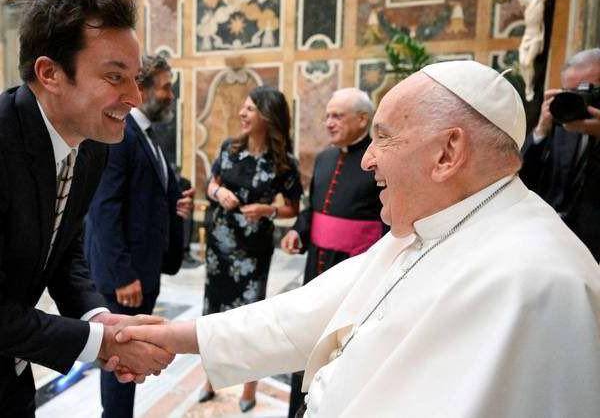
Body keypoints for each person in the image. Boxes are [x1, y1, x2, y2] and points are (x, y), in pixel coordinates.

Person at [117, 60, 600, 417]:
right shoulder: (434, 222)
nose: (368, 159)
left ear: (448, 152)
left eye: (383, 138)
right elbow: (301, 315)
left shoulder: (540, 283)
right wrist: (178, 336)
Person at [0, 0, 174, 417]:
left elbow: (64, 253)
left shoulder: (93, 147)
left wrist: (99, 317)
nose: (134, 97)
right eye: (115, 77)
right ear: (50, 73)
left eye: (135, 79)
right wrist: (100, 343)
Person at [85, 54, 195, 417]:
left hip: (143, 270)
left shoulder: (147, 134)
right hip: (126, 278)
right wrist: (122, 275)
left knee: (130, 365)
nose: (171, 95)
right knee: (120, 362)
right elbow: (104, 208)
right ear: (142, 89)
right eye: (165, 87)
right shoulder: (121, 133)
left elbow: (146, 193)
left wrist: (174, 202)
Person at [280, 88, 384, 417]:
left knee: (341, 352)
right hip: (315, 268)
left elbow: (387, 222)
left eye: (337, 116)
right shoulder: (324, 159)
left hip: (356, 274)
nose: (328, 122)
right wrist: (298, 231)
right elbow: (312, 209)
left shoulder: (378, 160)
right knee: (306, 342)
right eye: (327, 115)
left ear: (363, 119)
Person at [201, 85, 303, 412]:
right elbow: (211, 183)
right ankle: (210, 380)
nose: (241, 114)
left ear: (267, 115)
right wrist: (218, 193)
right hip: (219, 248)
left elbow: (293, 208)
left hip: (253, 252)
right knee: (213, 316)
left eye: (249, 109)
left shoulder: (284, 162)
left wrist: (267, 210)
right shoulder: (229, 148)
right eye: (243, 108)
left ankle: (249, 388)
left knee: (250, 319)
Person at [520, 48, 600, 261]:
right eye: (571, 93)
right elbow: (522, 178)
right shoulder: (563, 120)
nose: (581, 101)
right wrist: (541, 131)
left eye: (588, 91)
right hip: (552, 244)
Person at [517, 0, 580, 101]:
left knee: (527, 62)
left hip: (535, 37)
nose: (520, 1)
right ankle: (528, 85)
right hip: (526, 37)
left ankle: (529, 88)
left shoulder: (538, 0)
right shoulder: (527, 5)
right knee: (522, 64)